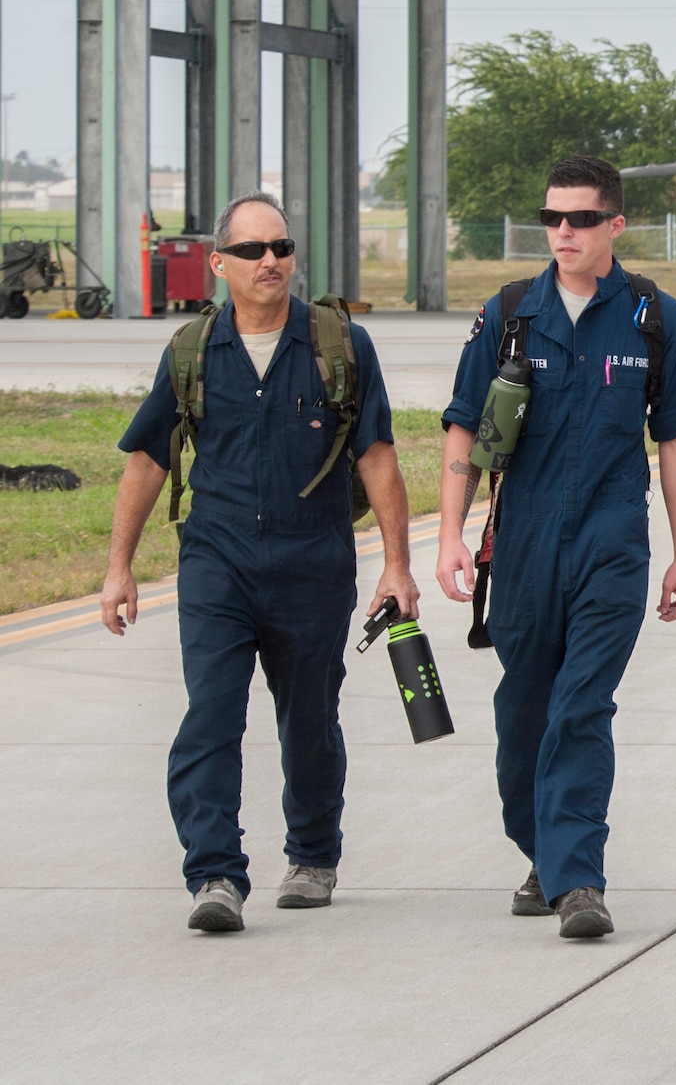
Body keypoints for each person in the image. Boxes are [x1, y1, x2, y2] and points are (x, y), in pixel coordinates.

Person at [100, 193, 416, 933]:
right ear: (219, 264)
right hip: (218, 557)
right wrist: (118, 568)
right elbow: (150, 458)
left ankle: (311, 855)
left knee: (308, 720)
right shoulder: (191, 350)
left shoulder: (340, 344)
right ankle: (215, 873)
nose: (269, 261)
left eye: (280, 247)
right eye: (250, 251)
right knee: (210, 714)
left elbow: (376, 456)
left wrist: (396, 567)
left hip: (315, 557)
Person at [436, 155, 676, 940]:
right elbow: (463, 423)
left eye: (582, 219)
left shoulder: (654, 317)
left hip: (612, 540)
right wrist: (451, 533)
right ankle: (542, 851)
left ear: (615, 225)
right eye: (553, 217)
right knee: (526, 712)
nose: (564, 232)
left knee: (583, 705)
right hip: (521, 542)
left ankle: (578, 877)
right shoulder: (510, 314)